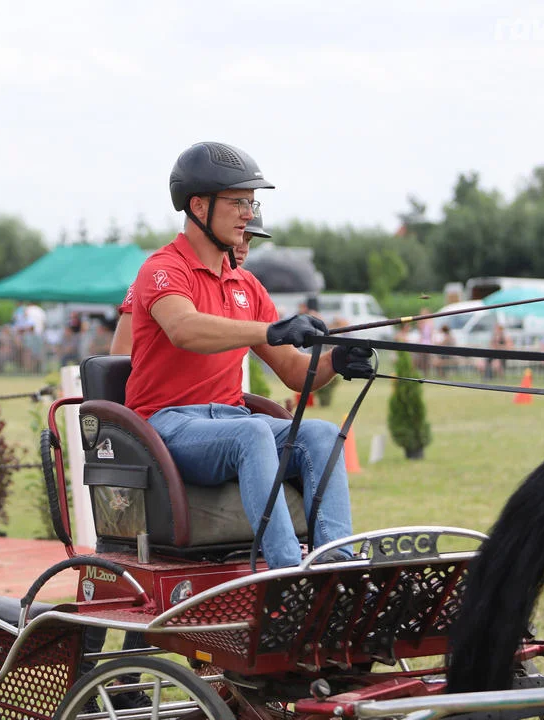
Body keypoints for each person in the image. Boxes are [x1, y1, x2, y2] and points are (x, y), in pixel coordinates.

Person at [125, 141, 369, 570]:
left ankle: (337, 569)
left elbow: (296, 374)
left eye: (251, 203)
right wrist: (273, 330)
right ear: (198, 206)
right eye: (238, 202)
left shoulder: (247, 287)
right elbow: (184, 328)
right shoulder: (162, 270)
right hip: (167, 423)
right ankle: (287, 575)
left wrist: (335, 360)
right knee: (255, 433)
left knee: (322, 435)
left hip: (232, 421)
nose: (248, 214)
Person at [110, 212, 270, 355]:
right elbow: (121, 353)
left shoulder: (249, 284)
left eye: (248, 240)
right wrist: (266, 331)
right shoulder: (164, 272)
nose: (243, 248)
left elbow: (284, 355)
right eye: (239, 236)